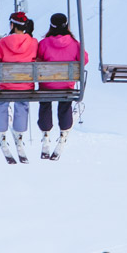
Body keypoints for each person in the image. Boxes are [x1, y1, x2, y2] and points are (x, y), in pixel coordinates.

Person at [36, 13, 87, 159]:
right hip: (66, 86)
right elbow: (85, 60)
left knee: (45, 103)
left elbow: (37, 59)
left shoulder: (44, 43)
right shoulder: (75, 44)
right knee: (65, 105)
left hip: (47, 85)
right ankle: (63, 133)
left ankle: (45, 134)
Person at [0, 11, 37, 161]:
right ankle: (19, 133)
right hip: (25, 85)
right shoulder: (33, 42)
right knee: (22, 103)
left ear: (12, 25)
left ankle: (0, 130)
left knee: (1, 101)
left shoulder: (2, 43)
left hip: (7, 85)